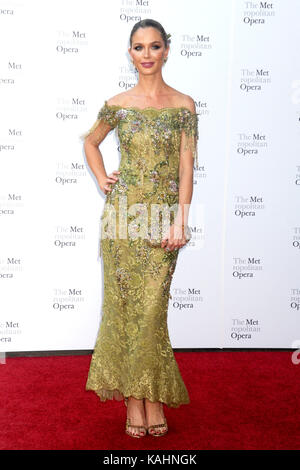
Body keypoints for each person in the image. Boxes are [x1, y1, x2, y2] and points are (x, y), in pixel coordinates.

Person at [81, 18, 198, 438]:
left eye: (153, 46)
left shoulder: (184, 105)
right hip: (123, 221)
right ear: (129, 53)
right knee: (124, 311)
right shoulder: (118, 103)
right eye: (138, 47)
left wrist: (182, 219)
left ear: (166, 50)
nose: (146, 55)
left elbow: (186, 165)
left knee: (152, 313)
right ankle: (135, 402)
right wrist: (101, 178)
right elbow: (90, 141)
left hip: (163, 222)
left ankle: (150, 395)